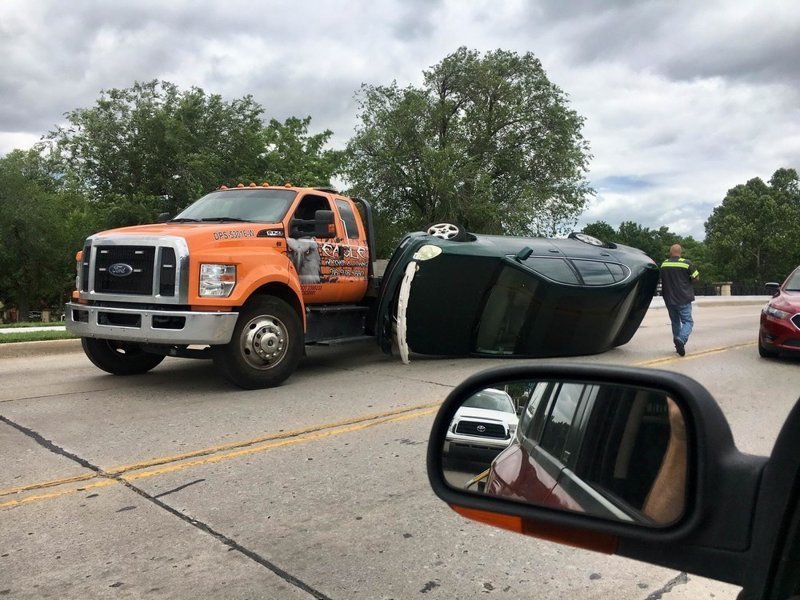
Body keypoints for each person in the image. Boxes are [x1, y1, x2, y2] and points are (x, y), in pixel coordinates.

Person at [660, 244, 700, 356]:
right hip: (683, 297)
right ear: (680, 252)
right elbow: (696, 277)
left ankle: (677, 345)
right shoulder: (686, 263)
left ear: (670, 252)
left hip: (669, 298)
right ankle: (681, 340)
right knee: (688, 321)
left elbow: (662, 278)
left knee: (675, 322)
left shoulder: (664, 264)